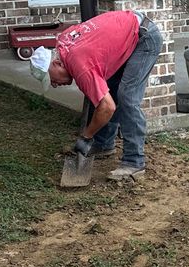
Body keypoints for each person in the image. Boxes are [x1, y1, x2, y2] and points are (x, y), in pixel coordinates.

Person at [29, 10, 163, 180]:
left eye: (51, 79)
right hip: (129, 32)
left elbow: (107, 107)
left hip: (144, 38)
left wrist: (86, 136)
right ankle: (103, 144)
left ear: (56, 63)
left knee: (127, 97)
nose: (55, 84)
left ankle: (134, 162)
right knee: (103, 89)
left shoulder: (80, 66)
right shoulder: (62, 42)